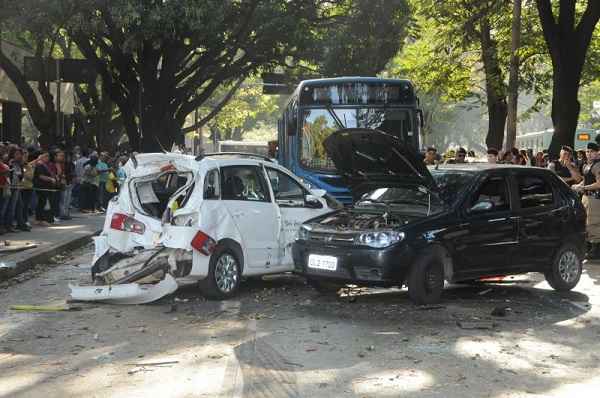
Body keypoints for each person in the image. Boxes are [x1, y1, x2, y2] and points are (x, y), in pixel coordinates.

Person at [573, 142, 600, 258]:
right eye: (587, 151)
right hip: (585, 196)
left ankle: (596, 250)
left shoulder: (598, 165)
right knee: (585, 222)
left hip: (594, 197)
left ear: (597, 153)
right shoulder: (586, 165)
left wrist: (583, 187)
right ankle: (589, 246)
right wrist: (578, 185)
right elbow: (586, 180)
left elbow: (599, 183)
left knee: (593, 223)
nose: (588, 154)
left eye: (591, 152)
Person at [33, 152, 56, 225]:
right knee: (42, 203)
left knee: (43, 203)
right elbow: (41, 176)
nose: (48, 158)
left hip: (46, 187)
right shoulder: (40, 165)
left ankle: (41, 219)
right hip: (41, 186)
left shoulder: (45, 165)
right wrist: (50, 179)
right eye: (46, 156)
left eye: (48, 156)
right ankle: (40, 219)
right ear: (41, 157)